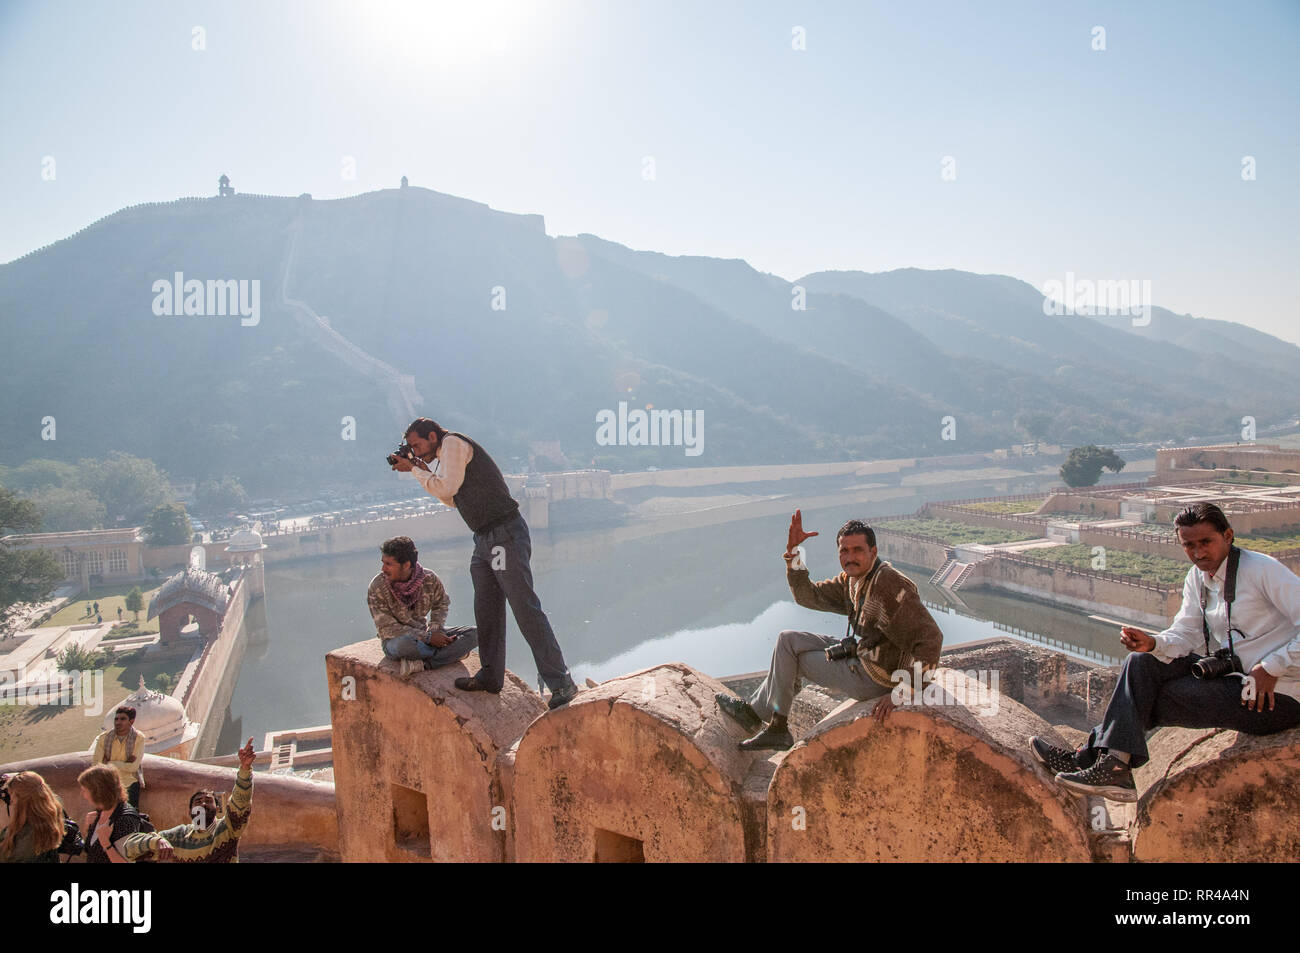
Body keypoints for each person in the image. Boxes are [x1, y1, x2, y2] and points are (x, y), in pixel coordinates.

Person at [1032, 502, 1300, 801]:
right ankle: (1111, 766)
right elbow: (1185, 632)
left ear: (1228, 535)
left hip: (1280, 696)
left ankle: (1090, 757)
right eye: (1189, 545)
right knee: (1142, 662)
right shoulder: (1198, 578)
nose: (1198, 553)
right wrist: (1153, 643)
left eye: (1205, 542)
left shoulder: (1262, 570)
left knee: (1157, 695)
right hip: (1236, 678)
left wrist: (1273, 665)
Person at [391, 417, 579, 708]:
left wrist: (415, 469)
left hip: (503, 534)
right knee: (487, 609)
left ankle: (561, 682)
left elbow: (446, 489)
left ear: (432, 435)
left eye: (418, 445)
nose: (416, 451)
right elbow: (452, 498)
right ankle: (491, 677)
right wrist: (424, 470)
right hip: (484, 539)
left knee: (524, 608)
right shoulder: (444, 456)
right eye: (411, 448)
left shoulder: (452, 443)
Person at [716, 511, 944, 750]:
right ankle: (760, 716)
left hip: (877, 676)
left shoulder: (889, 585)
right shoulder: (853, 580)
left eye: (857, 550)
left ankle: (776, 726)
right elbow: (808, 596)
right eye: (844, 551)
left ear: (873, 552)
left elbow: (931, 639)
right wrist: (794, 553)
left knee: (795, 659)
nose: (850, 557)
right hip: (864, 654)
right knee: (788, 640)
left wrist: (903, 691)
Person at [121, 738, 256, 863]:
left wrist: (245, 770)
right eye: (198, 802)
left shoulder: (228, 829)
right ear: (190, 811)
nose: (203, 804)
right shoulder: (178, 836)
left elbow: (240, 802)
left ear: (218, 808)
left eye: (208, 801)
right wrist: (155, 841)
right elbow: (129, 848)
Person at [367, 535, 478, 677]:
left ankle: (427, 664)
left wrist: (435, 629)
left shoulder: (429, 579)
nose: (383, 569)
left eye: (389, 564)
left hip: (425, 633)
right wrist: (428, 638)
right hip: (397, 640)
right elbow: (388, 628)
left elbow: (441, 603)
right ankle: (449, 655)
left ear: (406, 565)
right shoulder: (377, 587)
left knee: (475, 634)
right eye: (383, 563)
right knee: (405, 645)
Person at [0, 771, 71, 863]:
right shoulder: (52, 811)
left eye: (12, 794)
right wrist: (19, 780)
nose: (12, 800)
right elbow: (40, 789)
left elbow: (11, 857)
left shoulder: (29, 830)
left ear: (23, 799)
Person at [78, 763, 142, 863]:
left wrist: (107, 844)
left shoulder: (126, 819)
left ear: (99, 791)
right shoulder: (101, 812)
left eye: (85, 790)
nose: (83, 795)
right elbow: (91, 851)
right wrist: (87, 829)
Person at [92, 706, 145, 808]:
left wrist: (110, 763)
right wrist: (125, 763)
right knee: (105, 818)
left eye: (123, 719)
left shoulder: (138, 738)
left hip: (130, 784)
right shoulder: (104, 738)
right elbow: (97, 765)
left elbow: (133, 767)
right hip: (108, 784)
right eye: (116, 719)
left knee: (129, 817)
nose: (118, 722)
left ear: (131, 721)